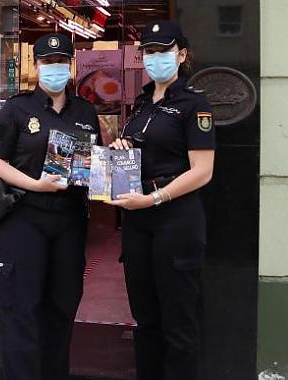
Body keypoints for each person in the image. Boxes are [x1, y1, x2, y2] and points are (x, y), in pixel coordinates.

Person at [0, 33, 100, 380]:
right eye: (48, 62)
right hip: (24, 217)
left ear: (71, 66)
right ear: (36, 66)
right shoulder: (17, 109)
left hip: (69, 220)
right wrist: (36, 184)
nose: (55, 68)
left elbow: (93, 164)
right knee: (21, 309)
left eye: (61, 61)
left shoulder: (86, 111)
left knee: (61, 308)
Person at [106, 20, 215, 380]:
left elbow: (202, 171)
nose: (155, 59)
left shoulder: (194, 104)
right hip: (139, 221)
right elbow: (137, 153)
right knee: (145, 319)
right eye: (149, 52)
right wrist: (121, 147)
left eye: (163, 51)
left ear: (181, 55)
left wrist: (154, 199)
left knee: (178, 323)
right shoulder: (139, 105)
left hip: (175, 219)